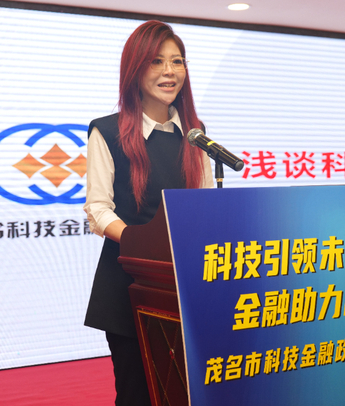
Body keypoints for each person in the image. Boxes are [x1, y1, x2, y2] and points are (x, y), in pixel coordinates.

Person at [83, 20, 214, 406]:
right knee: (137, 393)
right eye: (156, 61)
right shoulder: (107, 131)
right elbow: (98, 209)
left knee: (185, 393)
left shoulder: (195, 133)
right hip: (129, 283)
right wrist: (141, 243)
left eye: (177, 61)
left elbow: (205, 204)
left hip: (184, 283)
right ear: (135, 69)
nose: (169, 71)